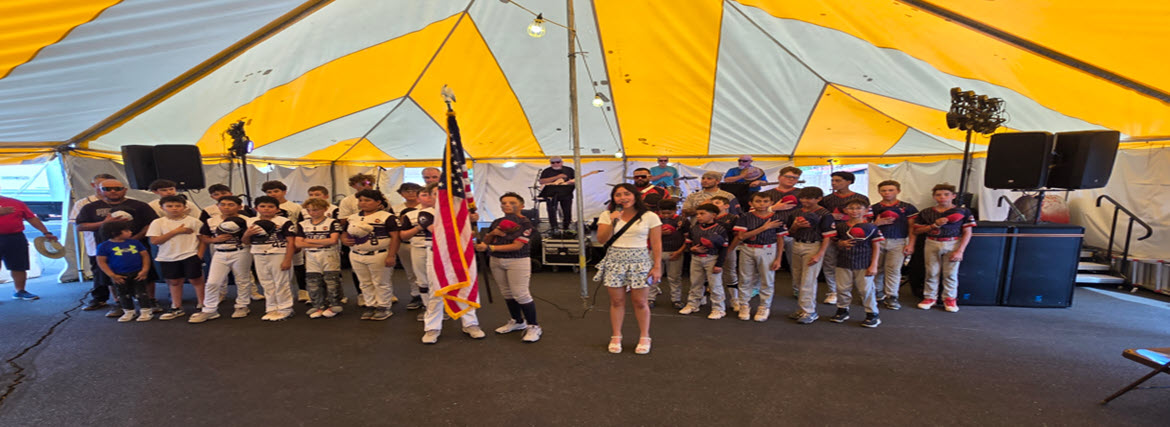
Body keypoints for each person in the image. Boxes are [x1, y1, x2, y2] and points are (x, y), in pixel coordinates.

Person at [75, 179, 158, 318]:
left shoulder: (140, 205)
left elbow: (152, 223)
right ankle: (120, 303)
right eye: (107, 188)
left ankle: (150, 301)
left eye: (117, 188)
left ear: (125, 189)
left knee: (146, 275)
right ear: (100, 190)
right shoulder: (90, 207)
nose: (112, 191)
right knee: (113, 277)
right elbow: (80, 226)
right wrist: (104, 222)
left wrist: (135, 238)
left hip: (137, 245)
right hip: (108, 248)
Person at [413, 183, 485, 343]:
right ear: (431, 196)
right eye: (435, 194)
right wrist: (465, 224)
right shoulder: (426, 213)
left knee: (465, 288)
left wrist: (470, 221)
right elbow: (440, 231)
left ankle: (470, 324)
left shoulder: (460, 212)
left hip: (460, 255)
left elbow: (468, 234)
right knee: (436, 291)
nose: (439, 196)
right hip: (437, 256)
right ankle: (432, 328)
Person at [595, 183, 662, 354]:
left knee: (640, 302)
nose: (623, 198)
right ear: (613, 198)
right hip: (615, 260)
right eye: (618, 195)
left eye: (627, 194)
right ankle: (616, 336)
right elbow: (601, 239)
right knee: (616, 301)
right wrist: (612, 221)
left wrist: (657, 266)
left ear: (635, 196)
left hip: (640, 260)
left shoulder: (649, 216)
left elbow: (656, 243)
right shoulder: (607, 215)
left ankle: (645, 336)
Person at [475, 192, 542, 342]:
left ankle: (533, 326)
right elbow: (487, 239)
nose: (507, 205)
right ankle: (517, 321)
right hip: (496, 261)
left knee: (521, 294)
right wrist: (492, 233)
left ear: (522, 205)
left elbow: (517, 246)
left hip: (517, 261)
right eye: (504, 202)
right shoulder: (498, 221)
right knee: (507, 293)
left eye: (512, 202)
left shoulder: (527, 224)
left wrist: (489, 248)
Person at [190, 196, 256, 323]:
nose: (226, 207)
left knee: (242, 280)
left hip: (240, 251)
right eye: (223, 204)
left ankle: (242, 305)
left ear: (239, 206)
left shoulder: (248, 221)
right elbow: (204, 237)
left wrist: (245, 236)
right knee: (212, 282)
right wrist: (215, 240)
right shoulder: (211, 221)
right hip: (219, 253)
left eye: (230, 204)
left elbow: (251, 240)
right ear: (218, 206)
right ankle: (209, 309)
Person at [912, 183, 975, 313]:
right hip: (932, 242)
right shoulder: (926, 212)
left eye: (946, 194)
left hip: (953, 242)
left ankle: (950, 298)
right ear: (934, 197)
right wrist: (934, 225)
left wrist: (960, 250)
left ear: (953, 196)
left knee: (951, 273)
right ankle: (930, 297)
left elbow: (967, 232)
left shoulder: (963, 211)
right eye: (938, 195)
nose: (942, 197)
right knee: (931, 272)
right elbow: (917, 230)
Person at [341, 189, 399, 321]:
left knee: (381, 282)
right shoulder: (353, 217)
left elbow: (395, 237)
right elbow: (344, 232)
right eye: (361, 200)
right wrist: (344, 239)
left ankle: (384, 307)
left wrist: (391, 255)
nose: (363, 203)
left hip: (379, 254)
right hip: (356, 254)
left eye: (367, 200)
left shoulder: (387, 217)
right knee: (364, 282)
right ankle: (370, 305)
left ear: (378, 202)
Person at [730, 192, 788, 322]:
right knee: (745, 278)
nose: (762, 204)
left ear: (771, 203)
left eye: (765, 201)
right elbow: (741, 236)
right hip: (748, 248)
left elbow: (780, 239)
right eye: (758, 201)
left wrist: (779, 258)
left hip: (768, 249)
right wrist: (764, 227)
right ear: (751, 203)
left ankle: (764, 306)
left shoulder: (777, 218)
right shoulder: (745, 217)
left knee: (767, 279)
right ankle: (744, 304)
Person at [146, 195, 206, 320]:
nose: (174, 209)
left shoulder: (194, 221)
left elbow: (202, 240)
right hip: (167, 257)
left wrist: (199, 255)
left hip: (190, 254)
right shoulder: (158, 222)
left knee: (196, 279)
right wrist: (176, 231)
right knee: (174, 282)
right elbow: (155, 241)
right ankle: (176, 306)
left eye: (178, 206)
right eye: (170, 206)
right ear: (162, 208)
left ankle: (203, 304)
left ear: (184, 207)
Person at [828, 199, 884, 328]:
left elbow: (876, 245)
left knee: (866, 289)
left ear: (865, 210)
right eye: (851, 208)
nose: (854, 211)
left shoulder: (871, 227)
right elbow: (834, 241)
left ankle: (872, 314)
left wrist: (874, 264)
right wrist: (840, 243)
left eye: (858, 208)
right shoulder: (841, 226)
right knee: (842, 288)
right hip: (843, 261)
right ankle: (842, 310)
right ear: (846, 210)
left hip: (864, 262)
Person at [818, 171, 870, 305]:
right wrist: (830, 216)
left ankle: (860, 291)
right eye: (833, 181)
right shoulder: (827, 199)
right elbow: (820, 215)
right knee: (830, 263)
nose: (834, 183)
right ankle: (832, 291)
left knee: (856, 264)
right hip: (831, 235)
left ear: (849, 182)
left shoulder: (861, 198)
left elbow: (868, 217)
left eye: (838, 180)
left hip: (855, 236)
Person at [787, 187, 836, 324]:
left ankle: (809, 311)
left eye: (809, 198)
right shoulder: (796, 212)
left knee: (808, 280)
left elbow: (828, 236)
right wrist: (796, 226)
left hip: (814, 245)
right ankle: (802, 309)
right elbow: (790, 232)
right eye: (802, 198)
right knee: (797, 279)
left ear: (819, 199)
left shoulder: (824, 213)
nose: (804, 201)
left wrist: (820, 254)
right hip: (797, 244)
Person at [244, 196, 297, 321]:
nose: (266, 209)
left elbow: (290, 241)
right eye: (262, 206)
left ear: (277, 209)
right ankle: (272, 307)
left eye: (270, 206)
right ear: (256, 208)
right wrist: (247, 234)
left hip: (278, 253)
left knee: (281, 282)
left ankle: (285, 308)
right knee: (266, 282)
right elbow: (245, 242)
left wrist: (288, 259)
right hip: (259, 254)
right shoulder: (250, 222)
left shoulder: (284, 221)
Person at [870, 180, 918, 310]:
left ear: (898, 191)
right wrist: (876, 223)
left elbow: (912, 227)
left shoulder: (907, 207)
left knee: (893, 269)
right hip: (877, 241)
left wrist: (911, 244)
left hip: (898, 241)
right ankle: (877, 292)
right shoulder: (874, 208)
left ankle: (891, 295)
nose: (887, 193)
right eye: (884, 190)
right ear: (879, 192)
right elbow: (865, 227)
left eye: (890, 190)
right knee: (877, 268)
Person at [1, 190, 57, 300]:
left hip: (15, 237)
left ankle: (20, 290)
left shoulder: (16, 203)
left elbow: (31, 218)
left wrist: (46, 232)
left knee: (19, 265)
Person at [96, 221, 154, 322]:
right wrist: (112, 275)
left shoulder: (135, 242)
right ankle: (129, 311)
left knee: (141, 292)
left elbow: (145, 255)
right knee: (122, 293)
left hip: (137, 272)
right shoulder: (104, 246)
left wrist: (145, 270)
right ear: (114, 232)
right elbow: (102, 262)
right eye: (126, 230)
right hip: (119, 274)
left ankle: (146, 311)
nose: (130, 232)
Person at [679, 203, 728, 320]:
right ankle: (693, 304)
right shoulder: (694, 228)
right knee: (695, 282)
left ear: (713, 215)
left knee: (715, 284)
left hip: (712, 258)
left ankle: (718, 308)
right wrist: (692, 249)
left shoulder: (720, 229)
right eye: (697, 214)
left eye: (702, 214)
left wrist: (719, 264)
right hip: (696, 258)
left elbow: (724, 247)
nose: (699, 216)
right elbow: (689, 242)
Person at [296, 197, 344, 318]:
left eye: (315, 210)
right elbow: (298, 243)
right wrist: (321, 242)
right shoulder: (303, 224)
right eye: (309, 210)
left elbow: (333, 240)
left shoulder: (332, 222)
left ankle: (334, 304)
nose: (312, 213)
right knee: (313, 281)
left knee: (331, 280)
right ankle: (318, 305)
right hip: (311, 255)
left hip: (329, 254)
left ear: (324, 209)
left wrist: (308, 240)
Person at [72, 173, 116, 301]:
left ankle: (129, 297)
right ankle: (100, 298)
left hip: (121, 242)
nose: (109, 190)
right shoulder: (84, 203)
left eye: (112, 187)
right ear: (94, 185)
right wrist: (103, 223)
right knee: (99, 271)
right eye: (103, 186)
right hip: (95, 243)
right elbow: (78, 225)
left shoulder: (125, 201)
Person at [262, 180, 307, 305]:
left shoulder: (295, 207)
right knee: (279, 268)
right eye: (269, 192)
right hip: (273, 242)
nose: (272, 194)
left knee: (298, 264)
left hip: (292, 238)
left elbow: (301, 224)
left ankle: (303, 290)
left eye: (276, 191)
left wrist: (299, 240)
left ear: (284, 192)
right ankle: (281, 293)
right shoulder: (264, 207)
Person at [337, 174, 376, 306]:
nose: (367, 185)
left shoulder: (380, 198)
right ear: (354, 185)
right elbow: (342, 221)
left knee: (379, 268)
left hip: (377, 238)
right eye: (363, 183)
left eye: (369, 183)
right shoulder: (348, 201)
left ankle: (381, 293)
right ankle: (361, 294)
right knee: (358, 268)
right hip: (356, 237)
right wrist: (357, 216)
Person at [650, 199, 688, 310]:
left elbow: (688, 239)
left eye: (669, 213)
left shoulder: (683, 221)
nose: (666, 216)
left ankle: (676, 299)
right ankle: (650, 298)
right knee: (653, 276)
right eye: (663, 213)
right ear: (659, 211)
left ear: (676, 210)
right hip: (656, 252)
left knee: (675, 277)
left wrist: (680, 251)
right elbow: (646, 236)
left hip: (674, 252)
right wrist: (659, 233)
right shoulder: (654, 220)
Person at [392, 183, 424, 310]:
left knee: (424, 272)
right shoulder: (396, 208)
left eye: (414, 190)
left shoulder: (424, 206)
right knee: (410, 271)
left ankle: (427, 296)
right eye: (407, 191)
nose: (410, 193)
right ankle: (416, 295)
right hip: (404, 243)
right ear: (401, 193)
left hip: (421, 242)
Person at [708, 196, 741, 309]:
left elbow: (738, 236)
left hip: (728, 249)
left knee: (730, 272)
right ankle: (705, 297)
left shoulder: (732, 218)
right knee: (708, 273)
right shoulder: (708, 218)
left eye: (717, 202)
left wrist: (730, 249)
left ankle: (735, 299)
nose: (714, 205)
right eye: (712, 203)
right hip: (711, 250)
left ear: (726, 206)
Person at [537, 156, 576, 231]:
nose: (555, 164)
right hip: (551, 194)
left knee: (567, 210)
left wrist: (570, 182)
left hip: (566, 193)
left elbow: (575, 180)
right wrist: (557, 177)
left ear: (562, 162)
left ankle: (566, 227)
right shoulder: (547, 171)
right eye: (553, 163)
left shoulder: (569, 170)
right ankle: (554, 227)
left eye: (558, 162)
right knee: (551, 210)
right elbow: (541, 181)